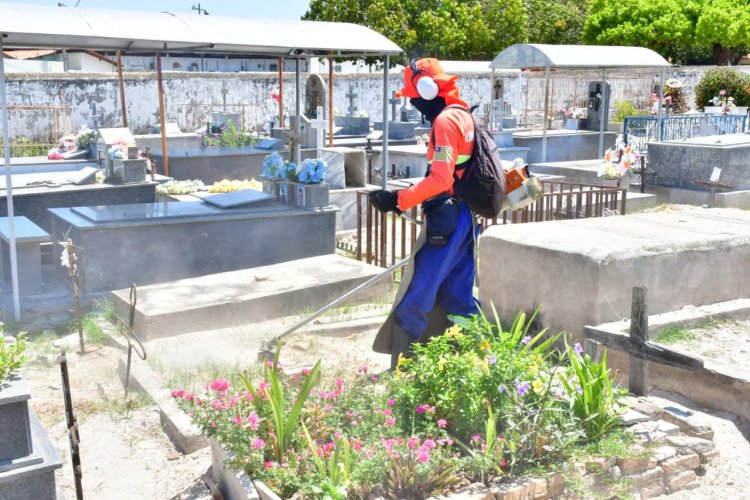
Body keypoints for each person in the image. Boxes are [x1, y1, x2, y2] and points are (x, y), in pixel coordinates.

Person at [370, 57, 480, 369]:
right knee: (458, 296)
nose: (416, 105)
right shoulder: (464, 116)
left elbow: (441, 179)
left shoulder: (445, 123)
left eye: (415, 98)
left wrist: (397, 199)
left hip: (446, 222)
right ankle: (467, 365)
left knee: (416, 295)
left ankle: (403, 374)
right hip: (466, 220)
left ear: (428, 91)